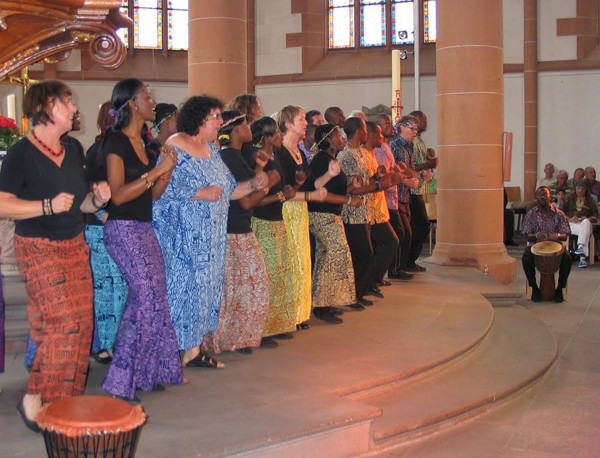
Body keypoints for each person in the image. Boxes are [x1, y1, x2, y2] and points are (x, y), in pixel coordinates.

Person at [0, 80, 111, 430]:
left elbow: (80, 203)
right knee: (62, 323)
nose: (74, 107)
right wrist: (45, 206)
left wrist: (99, 199)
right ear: (48, 106)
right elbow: (3, 203)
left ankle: (62, 400)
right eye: (67, 101)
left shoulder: (73, 149)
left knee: (81, 325)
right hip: (38, 247)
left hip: (74, 243)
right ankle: (35, 397)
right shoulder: (22, 153)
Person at [154, 98, 267, 367]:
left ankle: (192, 350)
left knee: (204, 292)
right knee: (181, 292)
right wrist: (198, 193)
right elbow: (160, 191)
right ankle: (169, 354)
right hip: (184, 238)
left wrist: (254, 183)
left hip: (212, 238)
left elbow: (227, 190)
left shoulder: (211, 150)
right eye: (215, 116)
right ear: (199, 119)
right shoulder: (174, 147)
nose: (220, 122)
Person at [100, 78, 184, 401]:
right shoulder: (116, 143)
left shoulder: (147, 144)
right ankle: (122, 378)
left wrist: (168, 170)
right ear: (132, 103)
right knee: (147, 299)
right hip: (121, 230)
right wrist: (155, 170)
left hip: (144, 226)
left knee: (152, 299)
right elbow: (118, 196)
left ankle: (146, 371)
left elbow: (153, 197)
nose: (153, 102)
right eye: (147, 97)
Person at [200, 110, 272, 354]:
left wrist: (260, 171)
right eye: (245, 123)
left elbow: (252, 190)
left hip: (238, 229)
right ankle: (227, 338)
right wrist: (267, 185)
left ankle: (235, 338)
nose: (249, 127)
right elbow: (245, 201)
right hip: (234, 231)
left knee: (242, 289)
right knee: (240, 290)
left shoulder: (236, 156)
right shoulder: (230, 157)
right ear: (235, 130)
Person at [276, 105, 330, 333]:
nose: (305, 123)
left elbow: (311, 184)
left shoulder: (300, 153)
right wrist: (311, 195)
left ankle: (299, 313)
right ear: (288, 124)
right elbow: (282, 193)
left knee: (303, 262)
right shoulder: (279, 153)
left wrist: (330, 175)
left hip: (301, 212)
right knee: (291, 263)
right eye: (300, 119)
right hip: (287, 212)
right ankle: (288, 316)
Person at [84, 101, 127, 365]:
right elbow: (89, 188)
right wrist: (103, 215)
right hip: (99, 226)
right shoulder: (96, 150)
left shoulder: (125, 148)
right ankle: (101, 344)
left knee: (120, 287)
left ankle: (114, 342)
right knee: (104, 288)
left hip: (121, 226)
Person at [249, 117, 297, 347]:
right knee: (268, 278)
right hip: (263, 221)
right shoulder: (259, 160)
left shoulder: (276, 158)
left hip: (278, 221)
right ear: (267, 137)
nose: (281, 136)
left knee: (280, 276)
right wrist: (279, 195)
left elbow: (282, 191)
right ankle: (262, 330)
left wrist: (292, 187)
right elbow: (253, 201)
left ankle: (277, 325)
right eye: (277, 132)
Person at [308, 124, 362, 323]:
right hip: (322, 215)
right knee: (336, 253)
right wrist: (348, 200)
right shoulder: (321, 160)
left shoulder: (330, 159)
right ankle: (323, 306)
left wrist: (350, 188)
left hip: (330, 215)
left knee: (326, 257)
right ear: (328, 139)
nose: (342, 139)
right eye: (338, 136)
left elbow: (335, 190)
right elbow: (321, 194)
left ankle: (323, 302)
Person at [374, 114, 417, 279]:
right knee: (397, 235)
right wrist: (402, 178)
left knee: (404, 233)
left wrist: (401, 171)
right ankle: (390, 271)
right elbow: (379, 176)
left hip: (396, 197)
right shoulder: (386, 147)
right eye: (386, 123)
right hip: (386, 199)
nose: (390, 125)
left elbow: (393, 170)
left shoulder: (387, 147)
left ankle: (395, 269)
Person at [363, 121, 399, 296]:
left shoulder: (370, 154)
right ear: (369, 135)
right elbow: (361, 185)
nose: (382, 137)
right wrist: (382, 181)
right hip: (368, 210)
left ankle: (372, 281)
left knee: (387, 243)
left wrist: (383, 177)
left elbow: (375, 179)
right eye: (378, 134)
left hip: (378, 207)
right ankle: (369, 282)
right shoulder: (362, 155)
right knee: (390, 241)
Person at [521, 186, 571, 303]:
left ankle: (560, 289)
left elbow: (565, 235)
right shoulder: (531, 214)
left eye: (545, 194)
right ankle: (534, 288)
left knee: (567, 258)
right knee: (526, 258)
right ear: (536, 197)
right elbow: (528, 235)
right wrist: (537, 235)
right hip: (536, 247)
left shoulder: (559, 214)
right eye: (539, 194)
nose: (542, 196)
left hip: (555, 247)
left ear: (550, 197)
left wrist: (557, 235)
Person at [389, 115, 421, 276]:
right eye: (412, 128)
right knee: (403, 233)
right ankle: (395, 269)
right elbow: (392, 171)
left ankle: (401, 267)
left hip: (405, 196)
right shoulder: (394, 146)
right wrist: (406, 181)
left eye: (416, 128)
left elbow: (410, 169)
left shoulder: (410, 146)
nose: (415, 131)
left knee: (407, 232)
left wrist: (421, 175)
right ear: (401, 127)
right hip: (395, 195)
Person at [407, 110, 437, 272]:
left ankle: (409, 260)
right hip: (411, 190)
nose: (424, 122)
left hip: (419, 188)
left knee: (417, 226)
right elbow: (409, 166)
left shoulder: (419, 141)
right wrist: (427, 165)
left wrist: (427, 157)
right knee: (421, 224)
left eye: (425, 119)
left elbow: (419, 160)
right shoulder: (411, 141)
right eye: (421, 119)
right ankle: (408, 260)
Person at [562, 180, 598, 268]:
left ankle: (581, 247)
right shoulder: (568, 198)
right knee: (584, 232)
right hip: (571, 224)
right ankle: (582, 258)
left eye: (583, 189)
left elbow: (595, 214)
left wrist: (588, 218)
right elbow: (560, 213)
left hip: (584, 224)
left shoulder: (590, 200)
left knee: (586, 223)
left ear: (586, 190)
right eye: (578, 188)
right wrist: (569, 219)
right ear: (575, 188)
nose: (580, 191)